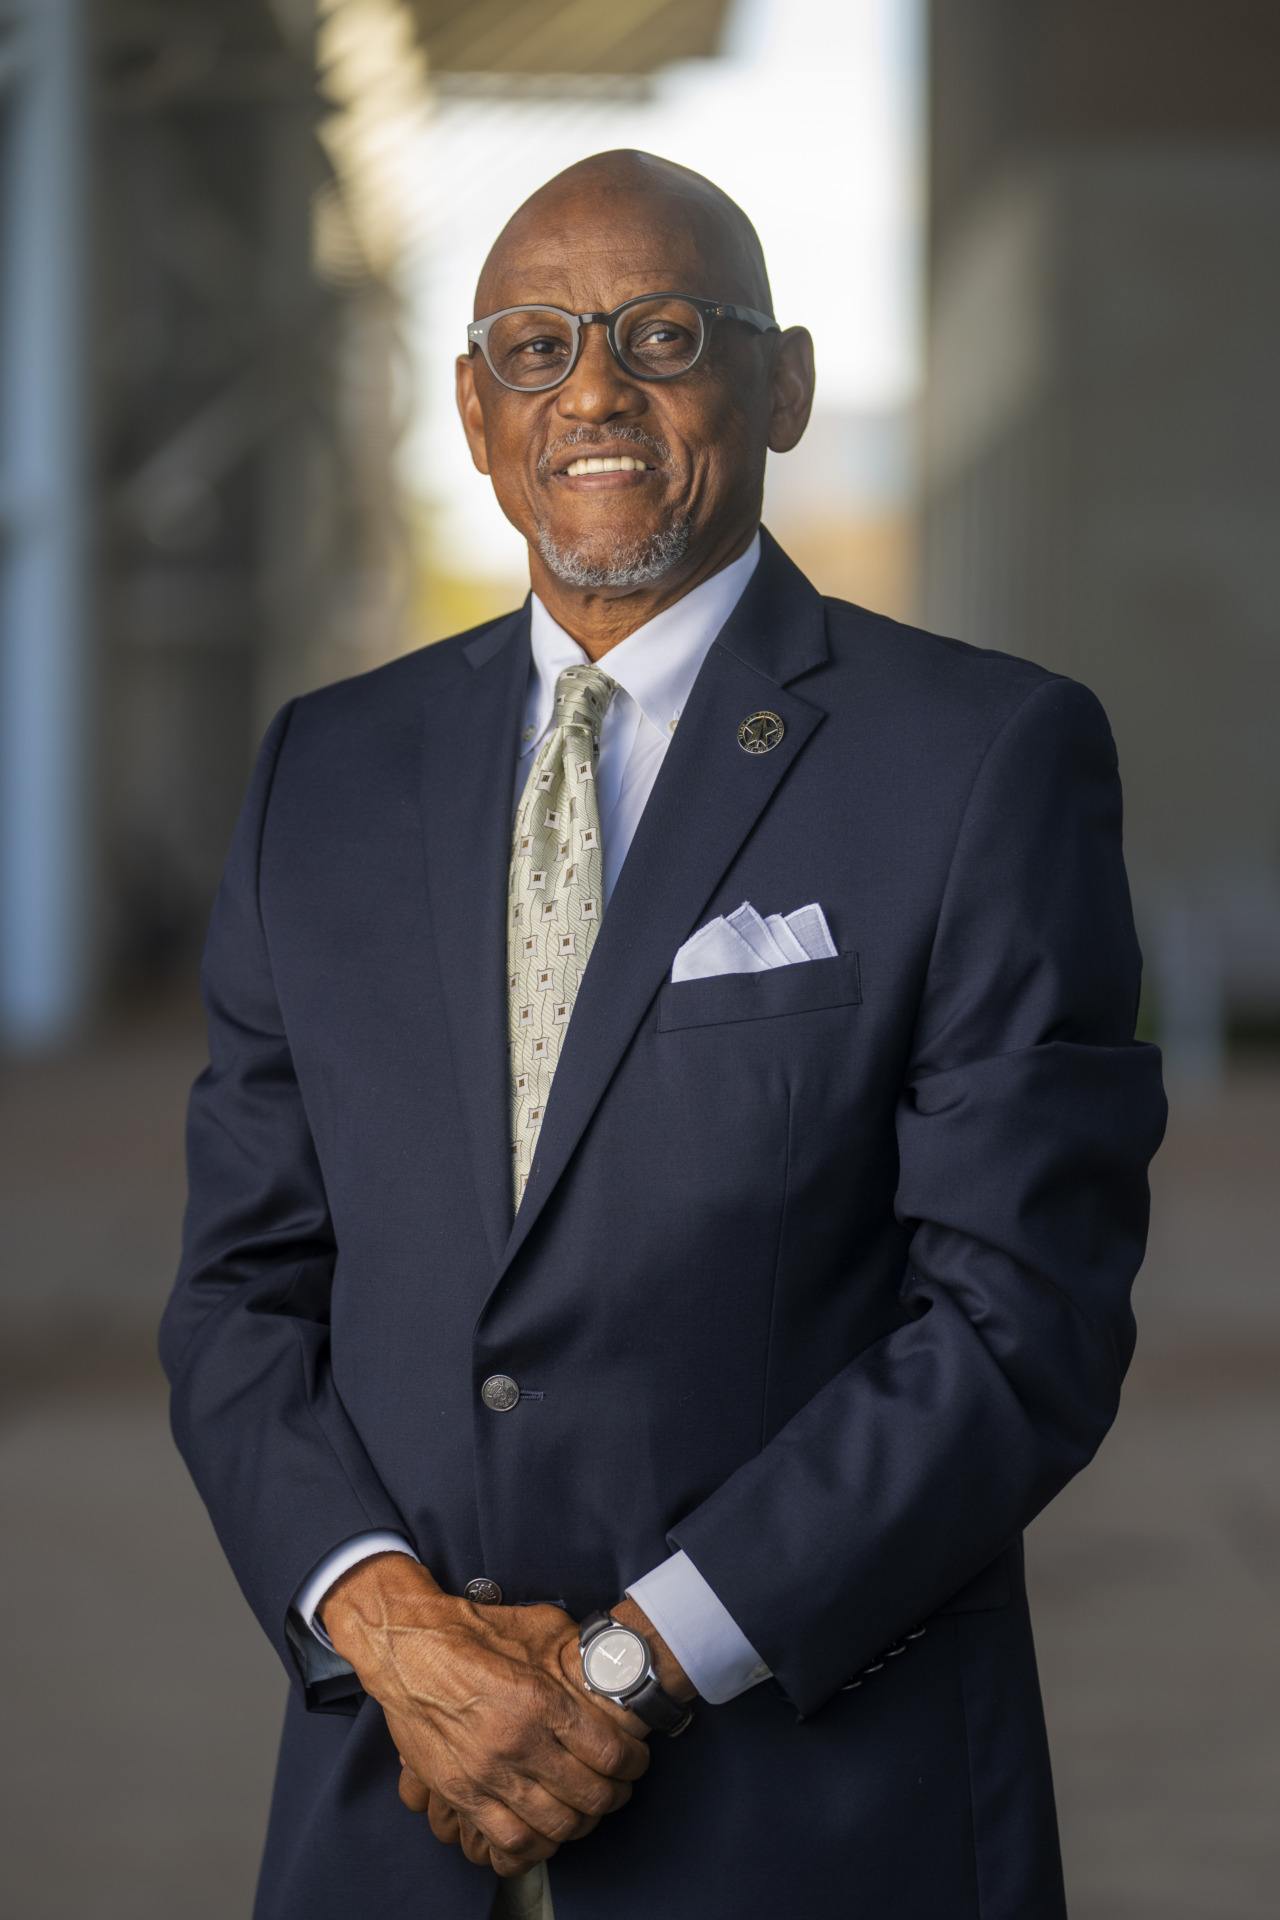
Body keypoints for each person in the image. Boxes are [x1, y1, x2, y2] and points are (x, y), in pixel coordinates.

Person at [158, 148, 1168, 1920]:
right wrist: (392, 1631)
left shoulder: (981, 759)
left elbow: (1022, 1323)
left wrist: (620, 1672)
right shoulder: (322, 774)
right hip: (392, 1804)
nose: (596, 390)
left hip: (811, 1818)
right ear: (474, 414)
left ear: (779, 384)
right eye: (536, 347)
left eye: (662, 332)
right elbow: (242, 1293)